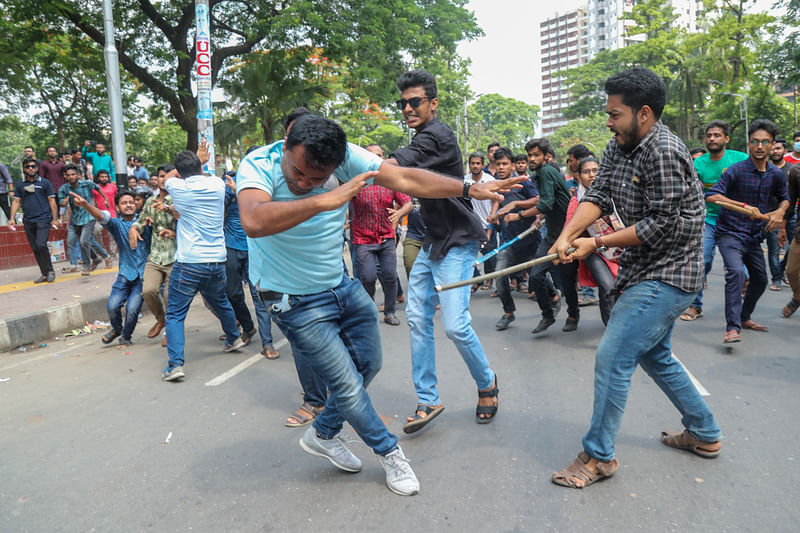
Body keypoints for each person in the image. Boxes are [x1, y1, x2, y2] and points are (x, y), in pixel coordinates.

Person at [236, 112, 519, 496]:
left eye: (315, 179)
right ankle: (389, 452)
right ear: (285, 147)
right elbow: (253, 220)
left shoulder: (349, 157)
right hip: (292, 300)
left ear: (336, 164)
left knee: (371, 364)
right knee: (348, 386)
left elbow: (405, 178)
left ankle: (323, 433)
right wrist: (326, 198)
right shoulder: (258, 164)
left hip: (340, 286)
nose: (302, 183)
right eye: (298, 172)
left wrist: (467, 189)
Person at [550, 67, 721, 489]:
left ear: (644, 113)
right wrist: (567, 234)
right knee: (654, 355)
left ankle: (598, 456)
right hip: (644, 267)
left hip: (671, 272)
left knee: (613, 355)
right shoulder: (619, 145)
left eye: (615, 114)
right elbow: (599, 193)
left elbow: (662, 224)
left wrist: (597, 242)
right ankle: (704, 433)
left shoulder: (663, 150)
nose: (608, 123)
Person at [390, 70, 505, 432]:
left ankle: (487, 382)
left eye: (415, 102)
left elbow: (401, 164)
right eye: (403, 103)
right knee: (416, 318)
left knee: (455, 326)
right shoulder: (424, 135)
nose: (408, 108)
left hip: (457, 240)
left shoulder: (436, 136)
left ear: (433, 103)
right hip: (432, 241)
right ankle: (428, 399)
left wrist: (369, 166)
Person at [160, 148, 246, 382]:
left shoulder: (178, 187)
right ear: (200, 166)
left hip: (189, 261)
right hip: (217, 259)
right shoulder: (218, 184)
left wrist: (196, 161)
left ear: (180, 171)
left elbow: (167, 178)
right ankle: (233, 338)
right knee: (221, 302)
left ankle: (175, 364)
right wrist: (201, 161)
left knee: (176, 314)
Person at [706, 119, 789, 343]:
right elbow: (712, 195)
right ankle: (732, 328)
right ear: (748, 144)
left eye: (765, 142)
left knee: (761, 279)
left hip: (754, 236)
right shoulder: (735, 170)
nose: (760, 146)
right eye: (755, 142)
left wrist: (779, 213)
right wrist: (743, 207)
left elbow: (785, 199)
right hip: (730, 233)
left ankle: (744, 317)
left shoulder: (776, 174)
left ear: (773, 145)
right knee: (736, 273)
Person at [679, 120, 748, 321]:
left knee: (738, 265)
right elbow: (688, 190)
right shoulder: (698, 164)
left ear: (726, 139)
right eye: (709, 135)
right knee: (702, 261)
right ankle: (695, 306)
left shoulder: (739, 159)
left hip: (734, 221)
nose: (712, 138)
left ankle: (745, 287)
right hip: (708, 220)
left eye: (717, 135)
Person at [70, 190, 149, 345]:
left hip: (144, 275)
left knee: (133, 309)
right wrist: (86, 204)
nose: (128, 205)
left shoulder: (146, 222)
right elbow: (101, 216)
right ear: (118, 208)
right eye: (124, 203)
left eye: (131, 202)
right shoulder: (116, 224)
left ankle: (126, 336)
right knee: (112, 306)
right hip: (125, 273)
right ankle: (117, 328)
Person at [222, 169, 281, 358]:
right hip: (231, 247)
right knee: (232, 293)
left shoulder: (263, 182)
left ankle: (267, 343)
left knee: (259, 296)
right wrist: (230, 192)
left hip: (255, 248)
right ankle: (247, 326)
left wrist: (238, 190)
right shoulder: (228, 182)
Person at [522, 137, 574, 334]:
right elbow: (549, 203)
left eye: (536, 155)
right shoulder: (547, 171)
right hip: (552, 235)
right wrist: (540, 218)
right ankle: (548, 314)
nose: (532, 159)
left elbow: (546, 203)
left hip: (566, 236)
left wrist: (518, 214)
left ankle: (573, 315)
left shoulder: (546, 172)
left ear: (546, 156)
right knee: (536, 275)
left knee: (567, 279)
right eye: (530, 155)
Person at [560, 156, 619, 325]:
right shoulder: (576, 200)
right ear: (578, 176)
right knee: (607, 286)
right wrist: (562, 245)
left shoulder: (615, 192)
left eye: (595, 171)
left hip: (621, 245)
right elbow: (569, 228)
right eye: (586, 172)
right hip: (593, 250)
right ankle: (611, 329)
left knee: (623, 289)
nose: (592, 175)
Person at [350, 170, 412, 326]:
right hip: (363, 239)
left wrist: (399, 213)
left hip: (386, 238)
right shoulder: (356, 182)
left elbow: (408, 202)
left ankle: (389, 313)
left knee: (390, 275)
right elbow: (338, 199)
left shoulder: (390, 182)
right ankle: (368, 308)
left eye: (378, 156)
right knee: (368, 277)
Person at [488, 147, 541, 330]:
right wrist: (493, 217)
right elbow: (496, 201)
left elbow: (538, 201)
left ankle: (554, 297)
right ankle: (508, 312)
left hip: (529, 239)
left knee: (539, 276)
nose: (501, 167)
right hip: (508, 241)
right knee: (499, 275)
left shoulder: (523, 182)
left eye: (505, 164)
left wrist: (516, 204)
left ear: (512, 165)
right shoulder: (497, 184)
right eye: (498, 164)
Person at [130, 164, 177, 345]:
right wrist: (135, 229)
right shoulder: (150, 202)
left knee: (169, 297)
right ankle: (161, 320)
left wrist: (173, 231)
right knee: (148, 290)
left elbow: (187, 223)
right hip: (156, 255)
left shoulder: (179, 200)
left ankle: (171, 332)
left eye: (167, 176)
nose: (164, 180)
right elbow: (140, 221)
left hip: (175, 255)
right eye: (161, 176)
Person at [8, 159, 58, 283]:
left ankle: (51, 271)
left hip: (43, 218)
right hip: (28, 220)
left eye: (33, 166)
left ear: (37, 168)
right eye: (27, 167)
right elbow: (16, 201)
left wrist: (55, 219)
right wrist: (11, 219)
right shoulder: (20, 185)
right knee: (35, 247)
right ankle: (44, 274)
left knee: (41, 244)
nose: (30, 168)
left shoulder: (45, 183)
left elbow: (52, 201)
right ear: (24, 169)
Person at [57, 164, 110, 276]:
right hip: (75, 219)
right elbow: (61, 203)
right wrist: (65, 201)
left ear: (77, 175)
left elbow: (97, 187)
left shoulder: (86, 183)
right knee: (78, 241)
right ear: (65, 176)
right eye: (68, 175)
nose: (71, 177)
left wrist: (105, 198)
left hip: (88, 217)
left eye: (73, 174)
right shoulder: (64, 189)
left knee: (84, 241)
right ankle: (98, 258)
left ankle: (86, 266)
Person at [464, 152, 498, 292]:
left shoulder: (489, 180)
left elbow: (495, 201)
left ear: (482, 164)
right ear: (470, 164)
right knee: (468, 256)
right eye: (473, 163)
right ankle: (477, 279)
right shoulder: (465, 181)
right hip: (471, 226)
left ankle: (489, 279)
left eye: (478, 163)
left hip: (487, 224)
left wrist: (492, 219)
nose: (475, 166)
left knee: (490, 255)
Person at [766, 139, 792, 291]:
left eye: (778, 149)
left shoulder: (792, 169)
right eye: (773, 149)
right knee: (774, 249)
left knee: (795, 246)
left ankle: (781, 269)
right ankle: (776, 279)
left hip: (791, 214)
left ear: (784, 150)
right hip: (770, 214)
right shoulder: (765, 169)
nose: (775, 152)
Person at [782, 164, 800, 317]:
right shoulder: (796, 171)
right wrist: (782, 227)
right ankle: (798, 297)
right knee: (791, 271)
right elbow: (790, 202)